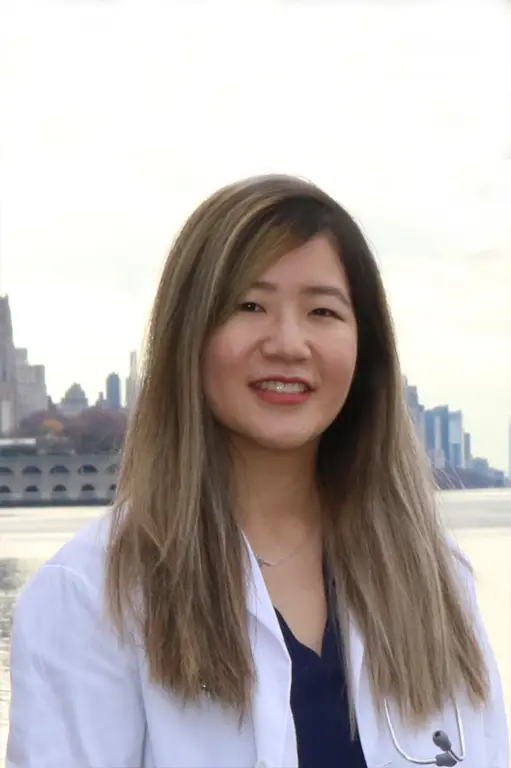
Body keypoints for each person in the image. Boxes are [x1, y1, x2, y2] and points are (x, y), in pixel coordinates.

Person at [7, 175, 508, 768]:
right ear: (188, 338)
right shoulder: (92, 596)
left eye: (322, 311)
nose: (289, 344)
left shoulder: (434, 578)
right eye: (249, 306)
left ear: (365, 349)